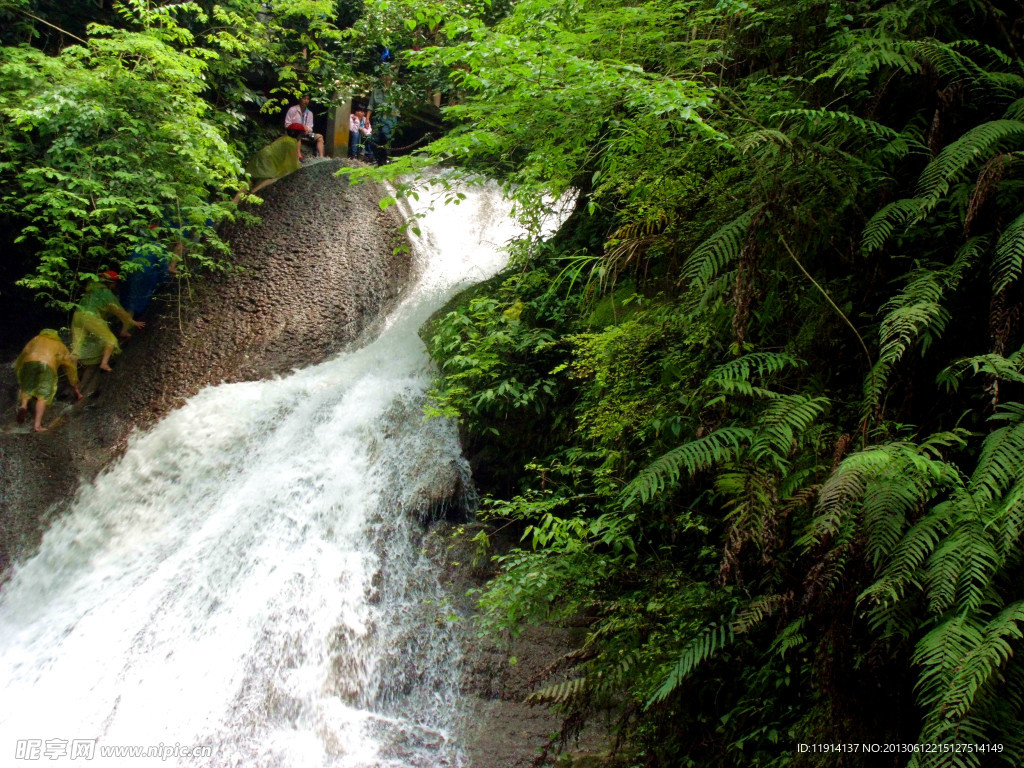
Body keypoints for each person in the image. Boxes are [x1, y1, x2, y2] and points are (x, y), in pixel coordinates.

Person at [72, 271, 144, 372]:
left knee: (77, 346)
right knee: (111, 340)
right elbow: (119, 310)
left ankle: (73, 374)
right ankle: (104, 363)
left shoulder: (91, 290)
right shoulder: (106, 293)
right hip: (90, 317)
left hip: (77, 315)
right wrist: (132, 321)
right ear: (111, 283)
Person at [14, 330, 82, 432]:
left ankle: (23, 405)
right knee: (43, 395)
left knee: (27, 386)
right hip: (47, 365)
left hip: (29, 362)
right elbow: (70, 367)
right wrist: (75, 386)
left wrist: (18, 368)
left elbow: (24, 353)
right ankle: (37, 425)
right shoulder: (60, 345)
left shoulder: (36, 339)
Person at [366, 75, 398, 166]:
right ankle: (379, 160)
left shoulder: (395, 89)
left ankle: (388, 159)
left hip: (390, 117)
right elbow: (371, 105)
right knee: (375, 140)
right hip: (378, 117)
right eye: (384, 77)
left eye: (387, 77)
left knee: (387, 137)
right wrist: (367, 118)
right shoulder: (376, 89)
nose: (386, 79)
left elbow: (397, 105)